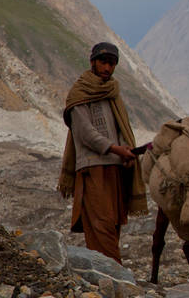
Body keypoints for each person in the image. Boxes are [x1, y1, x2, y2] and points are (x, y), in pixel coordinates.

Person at [56, 41, 147, 263]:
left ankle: (111, 278)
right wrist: (115, 148)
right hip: (92, 168)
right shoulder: (79, 93)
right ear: (93, 62)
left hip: (115, 169)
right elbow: (85, 133)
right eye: (103, 62)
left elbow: (122, 128)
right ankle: (114, 275)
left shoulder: (113, 92)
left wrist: (126, 152)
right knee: (101, 224)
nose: (107, 68)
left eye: (112, 64)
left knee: (114, 224)